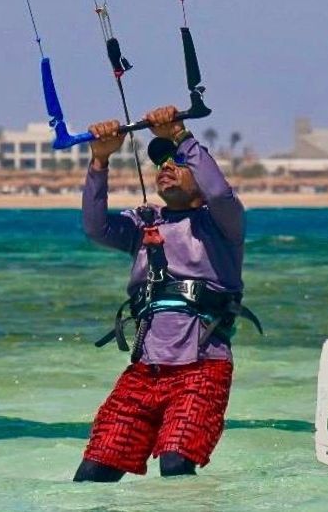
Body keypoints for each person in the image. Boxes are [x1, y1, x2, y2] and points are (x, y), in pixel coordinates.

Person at [73, 105, 253, 482]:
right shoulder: (143, 224)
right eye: (161, 163)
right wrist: (100, 160)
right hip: (144, 372)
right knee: (92, 473)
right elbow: (94, 227)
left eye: (177, 162)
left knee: (175, 463)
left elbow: (219, 193)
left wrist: (180, 136)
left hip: (201, 369)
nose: (165, 166)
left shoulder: (222, 223)